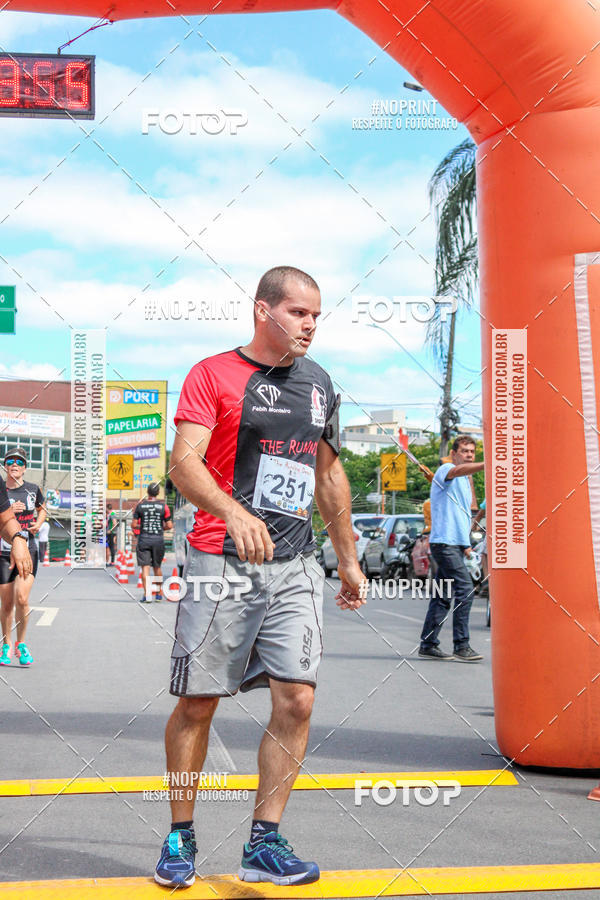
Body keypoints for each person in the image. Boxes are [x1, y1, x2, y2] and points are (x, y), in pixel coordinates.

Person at [154, 266, 366, 889]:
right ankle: (180, 834)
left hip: (296, 562)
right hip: (222, 559)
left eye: (317, 316)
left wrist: (347, 558)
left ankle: (264, 842)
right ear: (263, 310)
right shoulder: (213, 374)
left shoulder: (320, 384)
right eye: (300, 313)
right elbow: (184, 465)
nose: (310, 326)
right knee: (199, 701)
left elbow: (328, 477)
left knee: (298, 698)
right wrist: (232, 511)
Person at [419, 435, 484, 662]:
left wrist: (466, 546)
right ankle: (461, 645)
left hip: (454, 545)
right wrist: (488, 464)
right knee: (465, 589)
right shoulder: (446, 470)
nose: (468, 455)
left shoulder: (466, 483)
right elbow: (456, 472)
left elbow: (461, 517)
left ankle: (428, 644)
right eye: (464, 451)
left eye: (471, 452)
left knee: (442, 596)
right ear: (454, 454)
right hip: (443, 544)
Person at [0, 447, 44, 667]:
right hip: (3, 552)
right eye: (10, 461)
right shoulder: (1, 491)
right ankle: (6, 645)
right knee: (6, 604)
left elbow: (42, 508)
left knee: (22, 599)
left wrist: (39, 522)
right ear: (5, 466)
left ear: (25, 467)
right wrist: (10, 513)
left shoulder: (32, 489)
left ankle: (21, 644)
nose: (14, 464)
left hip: (28, 550)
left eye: (19, 461)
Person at [133, 483, 172, 602]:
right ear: (158, 493)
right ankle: (159, 593)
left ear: (147, 492)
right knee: (157, 567)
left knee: (145, 568)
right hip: (158, 540)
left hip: (144, 539)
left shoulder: (140, 506)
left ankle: (147, 594)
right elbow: (169, 525)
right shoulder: (163, 507)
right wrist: (160, 528)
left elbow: (134, 524)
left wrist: (144, 525)